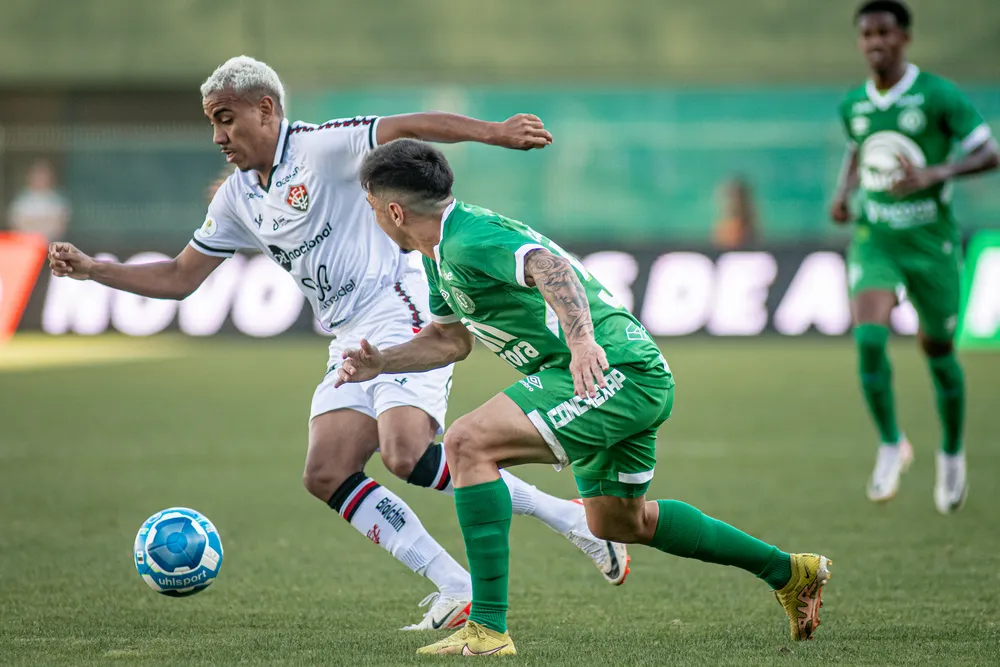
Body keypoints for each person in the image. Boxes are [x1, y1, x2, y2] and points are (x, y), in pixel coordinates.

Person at [46, 56, 629, 630]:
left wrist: (494, 133)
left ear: (266, 109)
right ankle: (460, 582)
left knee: (406, 454)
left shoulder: (321, 148)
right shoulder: (236, 198)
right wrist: (95, 270)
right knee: (326, 471)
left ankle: (569, 523)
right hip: (348, 333)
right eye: (212, 122)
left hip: (400, 309)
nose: (218, 135)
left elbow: (407, 127)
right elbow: (178, 278)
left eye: (226, 118)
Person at [336, 138, 831, 655]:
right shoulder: (439, 254)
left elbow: (551, 268)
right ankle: (790, 572)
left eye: (372, 208)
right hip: (614, 375)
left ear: (393, 209)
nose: (374, 218)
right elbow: (449, 340)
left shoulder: (466, 238)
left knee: (465, 444)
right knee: (618, 522)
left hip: (611, 371)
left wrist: (580, 341)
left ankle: (486, 628)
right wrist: (383, 362)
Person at [829, 1, 999, 512]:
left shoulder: (938, 96)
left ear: (905, 38)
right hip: (876, 238)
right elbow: (859, 147)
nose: (875, 43)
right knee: (869, 339)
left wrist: (935, 173)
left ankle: (950, 454)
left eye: (884, 33)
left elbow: (989, 152)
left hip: (931, 245)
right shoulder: (853, 104)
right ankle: (890, 443)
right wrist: (844, 191)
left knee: (938, 350)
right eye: (866, 35)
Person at [8, 159, 70, 241]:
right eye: (38, 175)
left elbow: (60, 225)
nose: (40, 179)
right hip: (27, 245)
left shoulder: (58, 201)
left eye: (44, 175)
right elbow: (16, 224)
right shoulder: (21, 200)